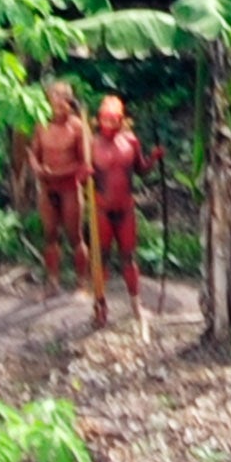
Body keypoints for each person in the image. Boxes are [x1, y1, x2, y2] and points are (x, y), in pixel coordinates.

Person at [92, 95, 164, 328]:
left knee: (128, 257)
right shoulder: (91, 144)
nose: (110, 125)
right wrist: (82, 174)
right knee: (101, 257)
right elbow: (82, 172)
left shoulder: (131, 142)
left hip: (125, 209)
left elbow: (140, 170)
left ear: (122, 120)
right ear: (99, 120)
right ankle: (100, 305)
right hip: (101, 209)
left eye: (114, 120)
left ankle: (136, 306)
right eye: (106, 120)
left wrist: (153, 158)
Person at [28, 79, 92, 296]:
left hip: (69, 187)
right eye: (53, 100)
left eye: (62, 100)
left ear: (69, 102)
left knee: (75, 237)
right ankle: (52, 283)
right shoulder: (41, 124)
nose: (58, 105)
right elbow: (33, 152)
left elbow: (85, 162)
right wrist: (37, 168)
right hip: (47, 187)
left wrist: (61, 173)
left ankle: (81, 283)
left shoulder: (77, 127)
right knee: (50, 236)